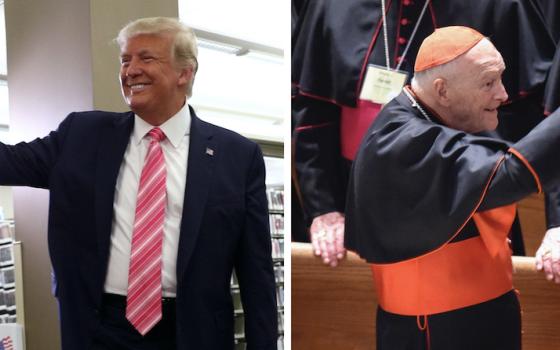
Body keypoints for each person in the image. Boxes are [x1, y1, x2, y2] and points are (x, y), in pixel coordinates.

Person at [0, 17, 277, 350]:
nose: (130, 70)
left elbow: (256, 274)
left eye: (146, 58)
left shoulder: (238, 156)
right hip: (99, 329)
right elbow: (9, 163)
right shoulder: (81, 136)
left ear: (184, 73)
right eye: (125, 60)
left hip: (192, 331)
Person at [292, 0, 557, 267]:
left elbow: (543, 117)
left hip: (473, 197)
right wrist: (323, 207)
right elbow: (313, 110)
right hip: (356, 206)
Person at [345, 26, 560, 350]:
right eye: (488, 83)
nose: (503, 94)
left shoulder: (426, 117)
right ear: (442, 90)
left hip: (470, 321)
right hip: (438, 331)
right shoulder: (397, 139)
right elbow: (511, 175)